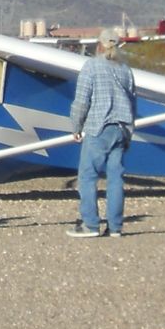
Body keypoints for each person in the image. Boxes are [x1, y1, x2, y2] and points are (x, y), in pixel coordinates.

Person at [67, 28, 136, 238]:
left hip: (99, 127)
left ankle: (90, 224)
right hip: (122, 128)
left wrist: (76, 127)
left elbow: (81, 101)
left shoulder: (91, 66)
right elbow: (133, 102)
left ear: (99, 45)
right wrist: (130, 133)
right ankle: (115, 227)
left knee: (87, 176)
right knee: (116, 178)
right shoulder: (126, 69)